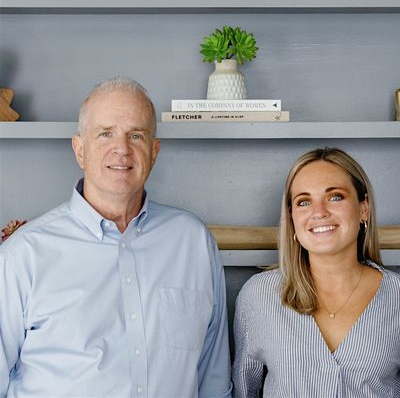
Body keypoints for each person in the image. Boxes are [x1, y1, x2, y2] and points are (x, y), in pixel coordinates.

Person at [0, 77, 232, 398]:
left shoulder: (193, 243)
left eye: (136, 135)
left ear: (154, 151)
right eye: (105, 133)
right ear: (80, 150)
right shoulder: (22, 255)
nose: (122, 149)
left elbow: (214, 381)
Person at [232, 147, 400, 397]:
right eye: (304, 202)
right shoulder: (259, 296)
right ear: (292, 218)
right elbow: (244, 389)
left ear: (364, 208)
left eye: (335, 197)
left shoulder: (396, 296)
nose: (319, 212)